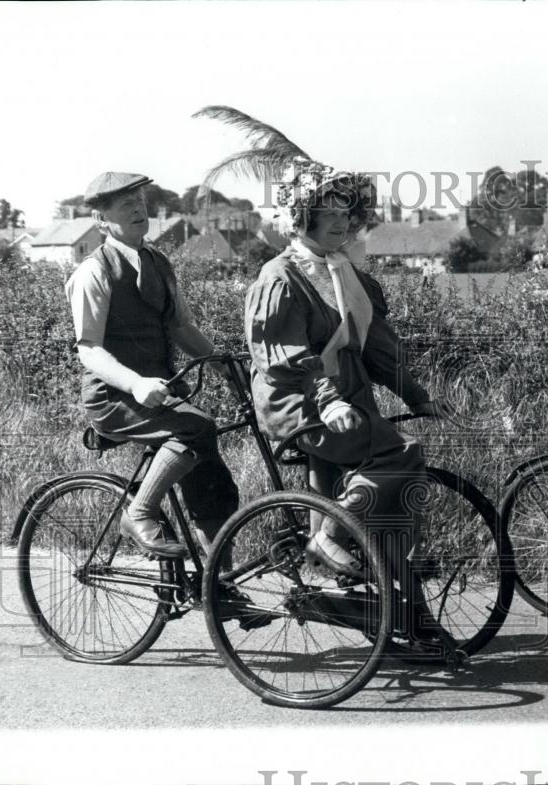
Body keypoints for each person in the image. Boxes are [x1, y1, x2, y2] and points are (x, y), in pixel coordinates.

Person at [244, 168, 445, 640]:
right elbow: (284, 357)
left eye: (344, 213)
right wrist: (329, 400)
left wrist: (417, 395)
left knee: (395, 497)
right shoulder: (280, 278)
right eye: (326, 214)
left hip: (349, 396)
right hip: (297, 398)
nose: (339, 223)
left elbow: (377, 346)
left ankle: (413, 617)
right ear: (303, 219)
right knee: (401, 452)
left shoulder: (344, 272)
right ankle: (330, 533)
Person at [65, 172, 240, 560]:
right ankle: (138, 513)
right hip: (112, 397)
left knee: (214, 481)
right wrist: (136, 383)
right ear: (101, 219)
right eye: (124, 203)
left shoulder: (158, 262)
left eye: (139, 200)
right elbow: (89, 349)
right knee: (197, 428)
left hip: (162, 392)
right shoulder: (93, 272)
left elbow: (181, 326)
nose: (137, 208)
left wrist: (225, 368)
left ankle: (218, 587)